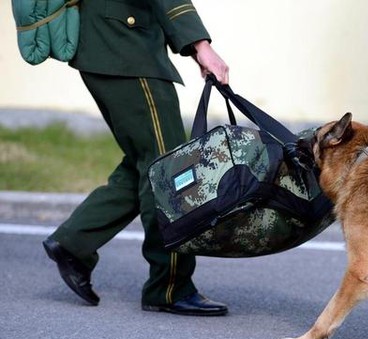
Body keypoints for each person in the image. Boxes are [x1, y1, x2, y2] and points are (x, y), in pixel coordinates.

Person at [42, 0, 229, 316]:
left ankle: (75, 242)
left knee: (147, 162)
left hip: (108, 45)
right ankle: (169, 286)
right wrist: (201, 45)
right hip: (127, 49)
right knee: (167, 172)